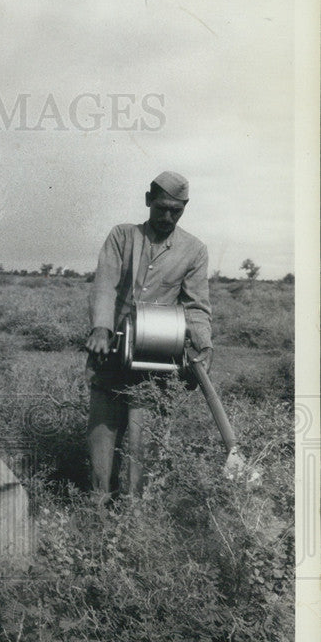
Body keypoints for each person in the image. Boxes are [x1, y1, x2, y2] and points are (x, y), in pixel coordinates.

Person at [85, 171, 212, 501]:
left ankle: (138, 525)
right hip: (110, 356)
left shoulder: (194, 250)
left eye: (177, 211)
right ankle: (97, 518)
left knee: (145, 452)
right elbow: (105, 285)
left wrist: (202, 345)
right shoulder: (122, 237)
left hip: (157, 364)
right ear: (148, 200)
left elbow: (196, 307)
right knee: (102, 446)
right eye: (162, 208)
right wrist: (101, 327)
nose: (168, 217)